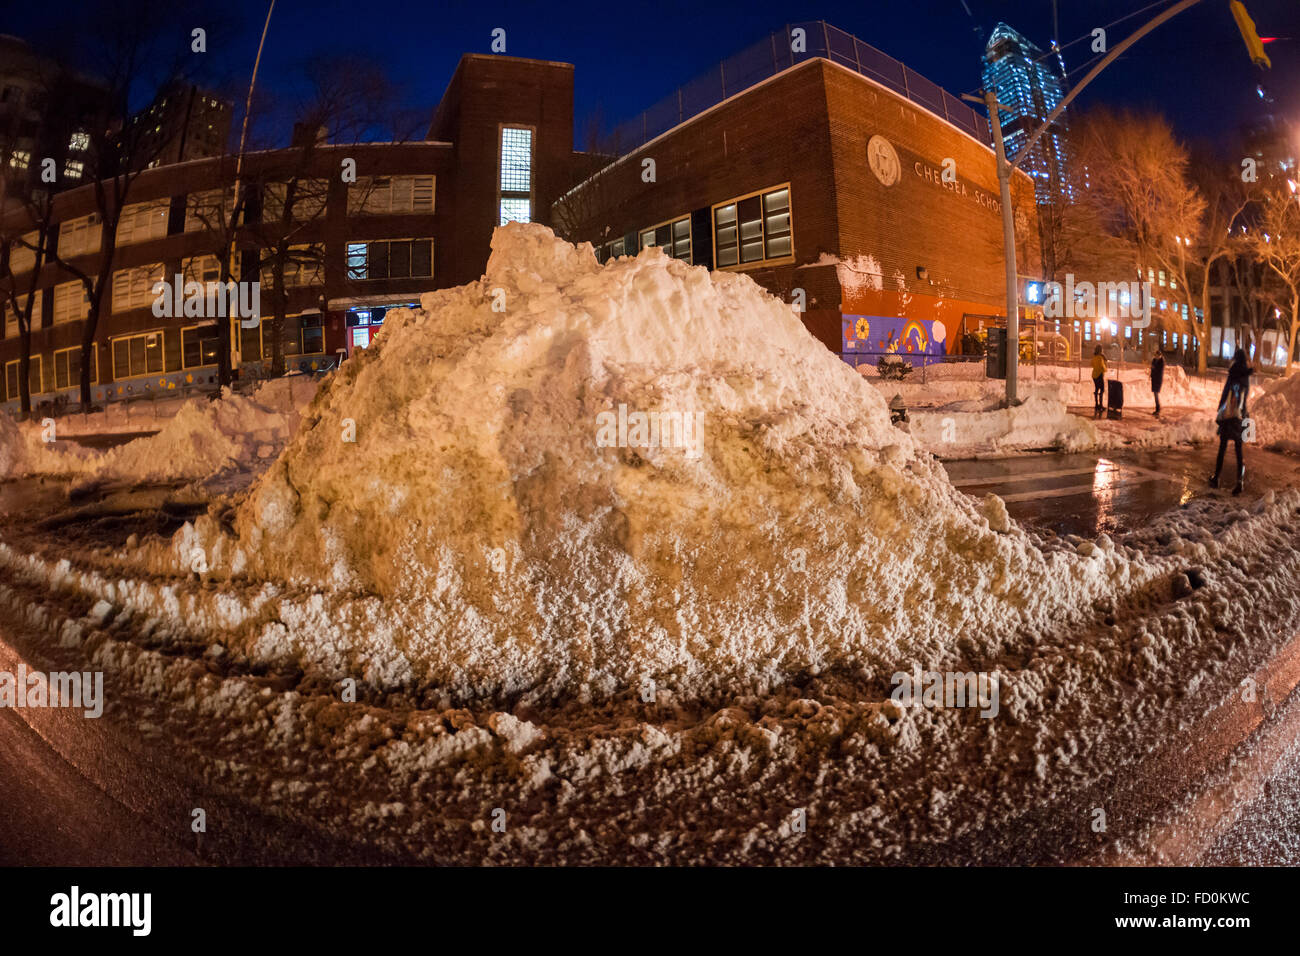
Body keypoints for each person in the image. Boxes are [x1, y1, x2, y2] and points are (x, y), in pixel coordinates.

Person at [1209, 348, 1252, 495]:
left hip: (1228, 417)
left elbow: (1226, 393)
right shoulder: (1246, 375)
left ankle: (1216, 478)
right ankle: (1239, 483)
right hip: (1240, 416)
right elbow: (1244, 397)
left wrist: (1220, 409)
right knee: (1239, 451)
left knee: (1222, 447)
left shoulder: (1233, 372)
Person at [1091, 345, 1107, 413]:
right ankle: (1100, 405)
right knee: (1102, 390)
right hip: (1099, 375)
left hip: (1094, 375)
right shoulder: (1100, 358)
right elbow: (1102, 366)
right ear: (1100, 350)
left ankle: (1096, 405)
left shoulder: (1094, 357)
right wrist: (1105, 369)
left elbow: (1091, 364)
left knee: (1097, 389)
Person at [1150, 350, 1165, 417]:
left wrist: (1154, 368)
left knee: (1156, 394)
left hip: (1158, 380)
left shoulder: (1161, 362)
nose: (1156, 356)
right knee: (1155, 394)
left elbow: (1160, 371)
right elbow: (1152, 368)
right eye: (1155, 355)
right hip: (1154, 379)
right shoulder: (1154, 360)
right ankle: (1157, 408)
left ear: (1160, 355)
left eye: (1157, 355)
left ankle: (1158, 409)